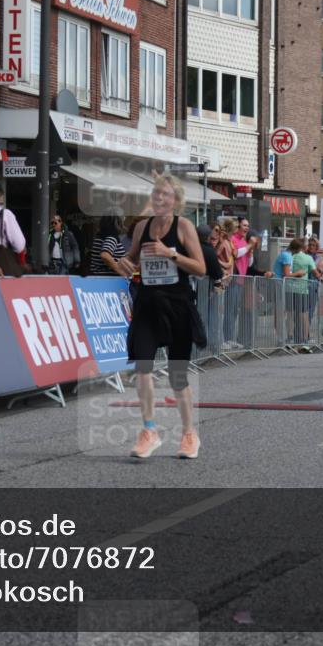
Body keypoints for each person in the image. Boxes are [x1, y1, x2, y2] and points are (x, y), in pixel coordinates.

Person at [118, 174, 207, 460]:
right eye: (156, 193)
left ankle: (189, 434)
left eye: (165, 195)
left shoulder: (184, 227)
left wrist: (170, 254)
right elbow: (132, 257)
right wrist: (126, 263)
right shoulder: (142, 227)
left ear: (176, 201)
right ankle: (149, 430)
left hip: (177, 306)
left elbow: (200, 268)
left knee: (177, 376)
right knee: (142, 366)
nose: (159, 198)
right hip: (147, 305)